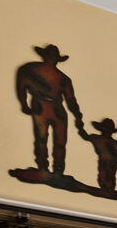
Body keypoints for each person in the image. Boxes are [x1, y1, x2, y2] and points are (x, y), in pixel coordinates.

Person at [13, 44, 81, 176]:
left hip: (55, 108)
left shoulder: (62, 78)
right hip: (42, 106)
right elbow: (22, 86)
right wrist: (24, 103)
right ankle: (44, 167)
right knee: (42, 138)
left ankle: (57, 170)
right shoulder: (30, 69)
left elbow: (71, 100)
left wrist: (78, 116)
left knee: (59, 141)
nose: (51, 59)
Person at [81, 117, 117, 197]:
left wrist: (114, 148)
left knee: (109, 174)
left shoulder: (112, 142)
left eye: (108, 131)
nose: (107, 132)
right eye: (106, 130)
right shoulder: (97, 138)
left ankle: (109, 189)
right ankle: (105, 189)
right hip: (104, 159)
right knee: (103, 174)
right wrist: (80, 127)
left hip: (111, 161)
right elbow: (85, 136)